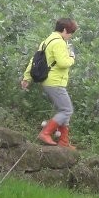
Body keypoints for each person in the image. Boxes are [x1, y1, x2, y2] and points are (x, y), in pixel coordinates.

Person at [20, 18, 78, 148]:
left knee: (63, 110)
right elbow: (63, 63)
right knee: (67, 110)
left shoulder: (47, 41)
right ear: (64, 30)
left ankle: (64, 142)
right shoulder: (59, 43)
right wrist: (72, 58)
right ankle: (46, 132)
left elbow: (34, 61)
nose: (70, 36)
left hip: (48, 81)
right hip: (55, 81)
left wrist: (26, 78)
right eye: (70, 32)